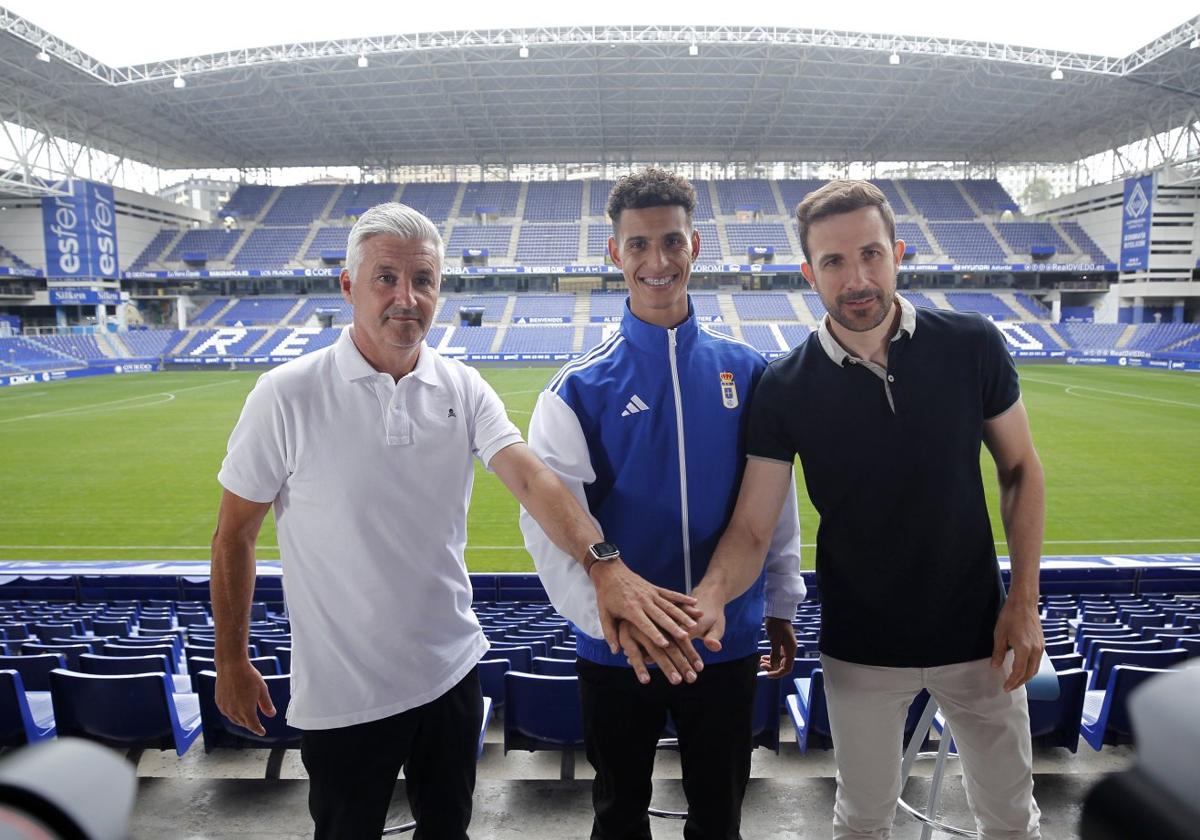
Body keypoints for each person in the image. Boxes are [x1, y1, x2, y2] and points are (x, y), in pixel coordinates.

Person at [210, 202, 699, 840]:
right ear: (348, 285)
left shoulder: (461, 386)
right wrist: (230, 661)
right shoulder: (286, 394)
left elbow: (532, 477)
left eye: (424, 280)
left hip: (449, 677)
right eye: (386, 277)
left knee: (450, 833)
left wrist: (603, 563)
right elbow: (234, 535)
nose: (406, 297)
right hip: (341, 695)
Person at [691, 179, 1045, 839]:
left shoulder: (971, 344)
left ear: (898, 253)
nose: (856, 278)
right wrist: (711, 596)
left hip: (980, 633)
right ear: (808, 273)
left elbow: (1020, 468)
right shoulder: (784, 388)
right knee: (862, 823)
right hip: (861, 646)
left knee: (1010, 819)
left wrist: (1023, 600)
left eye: (871, 255)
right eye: (833, 261)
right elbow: (751, 527)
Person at [520, 168, 805, 840]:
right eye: (640, 245)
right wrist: (609, 619)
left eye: (671, 242)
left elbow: (774, 504)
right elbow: (549, 524)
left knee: (720, 816)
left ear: (695, 246)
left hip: (725, 642)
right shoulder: (577, 389)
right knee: (618, 816)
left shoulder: (751, 371)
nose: (658, 261)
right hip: (623, 653)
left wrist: (781, 602)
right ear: (615, 253)